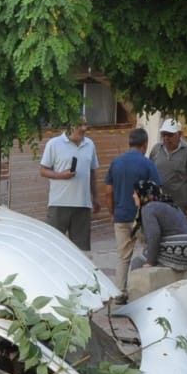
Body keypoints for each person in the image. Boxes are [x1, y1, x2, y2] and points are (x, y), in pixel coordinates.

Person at [106, 129, 161, 302]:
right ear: (145, 145)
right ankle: (145, 291)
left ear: (129, 143)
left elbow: (108, 191)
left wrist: (112, 212)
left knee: (123, 256)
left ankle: (120, 293)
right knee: (148, 252)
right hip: (142, 217)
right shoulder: (147, 164)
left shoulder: (116, 163)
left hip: (121, 216)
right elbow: (156, 191)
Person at [38, 121, 98, 250]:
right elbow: (43, 170)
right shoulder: (54, 144)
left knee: (82, 251)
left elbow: (92, 172)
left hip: (83, 204)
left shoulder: (90, 144)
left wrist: (95, 197)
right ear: (69, 126)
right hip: (59, 204)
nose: (84, 128)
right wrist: (61, 175)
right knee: (53, 247)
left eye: (85, 124)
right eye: (80, 125)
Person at [136, 178, 187, 274]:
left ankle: (134, 289)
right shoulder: (170, 204)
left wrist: (150, 262)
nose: (133, 196)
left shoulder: (148, 208)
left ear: (144, 195)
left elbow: (154, 235)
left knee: (137, 261)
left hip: (179, 251)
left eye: (135, 194)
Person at [153, 117, 187, 222]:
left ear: (180, 134)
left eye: (170, 135)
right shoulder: (156, 149)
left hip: (179, 206)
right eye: (163, 134)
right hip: (158, 203)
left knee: (177, 236)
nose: (166, 138)